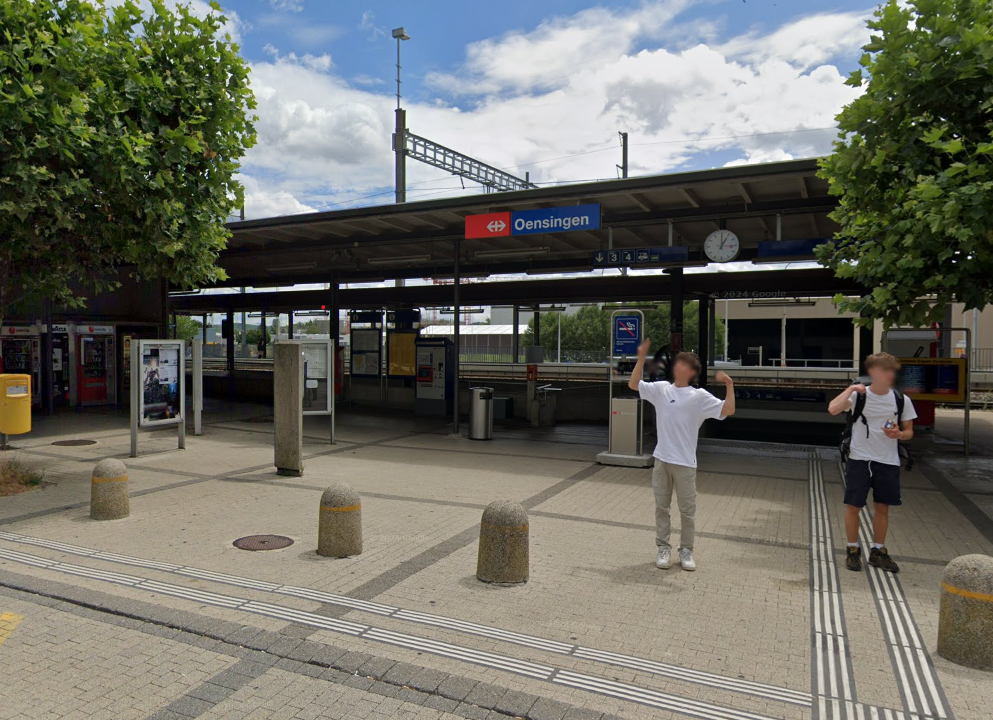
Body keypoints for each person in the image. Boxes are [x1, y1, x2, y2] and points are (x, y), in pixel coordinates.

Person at [628, 340, 735, 571]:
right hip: (662, 460)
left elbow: (728, 410)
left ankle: (686, 551)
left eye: (684, 364)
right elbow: (634, 384)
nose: (679, 366)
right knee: (661, 507)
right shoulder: (661, 389)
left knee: (688, 512)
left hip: (685, 463)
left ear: (692, 372)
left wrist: (729, 384)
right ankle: (663, 548)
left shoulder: (699, 397)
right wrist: (640, 359)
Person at [828, 352, 916, 573]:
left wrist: (898, 434)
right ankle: (852, 549)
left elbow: (909, 432)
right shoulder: (860, 396)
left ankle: (878, 551)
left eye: (892, 371)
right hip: (860, 459)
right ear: (873, 373)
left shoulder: (901, 399)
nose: (889, 375)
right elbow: (833, 409)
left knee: (883, 507)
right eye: (885, 371)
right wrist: (850, 389)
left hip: (888, 460)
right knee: (853, 507)